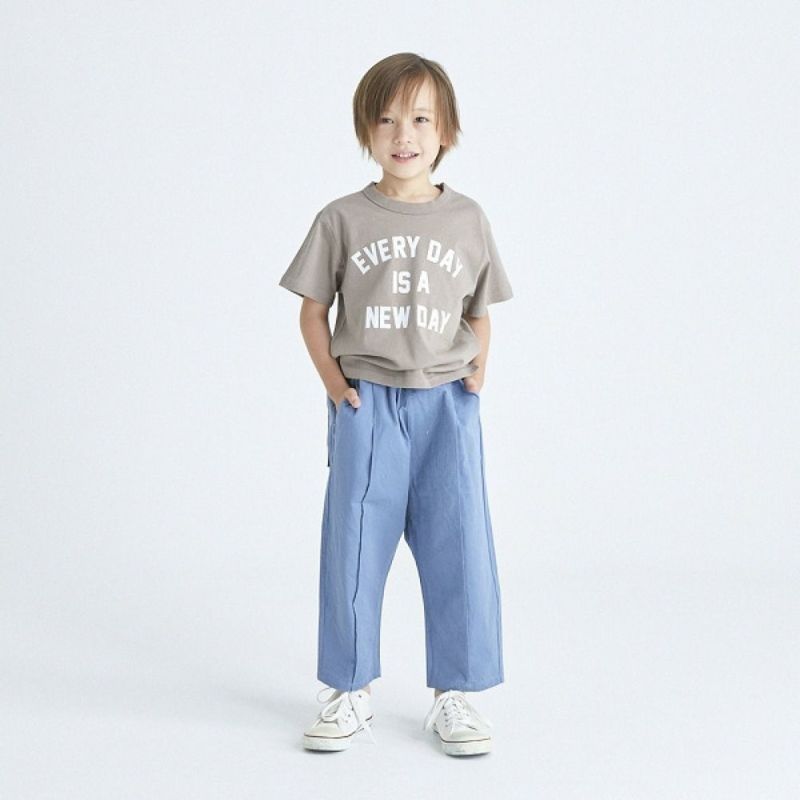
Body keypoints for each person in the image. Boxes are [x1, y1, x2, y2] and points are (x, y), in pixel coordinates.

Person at [278, 52, 513, 757]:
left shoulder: (467, 219)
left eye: (419, 120)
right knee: (355, 543)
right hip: (368, 403)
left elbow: (479, 311)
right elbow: (312, 311)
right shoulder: (342, 218)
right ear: (366, 131)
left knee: (459, 544)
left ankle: (458, 694)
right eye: (385, 120)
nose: (402, 135)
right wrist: (335, 386)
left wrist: (477, 377)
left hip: (446, 405)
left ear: (446, 132)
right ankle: (349, 689)